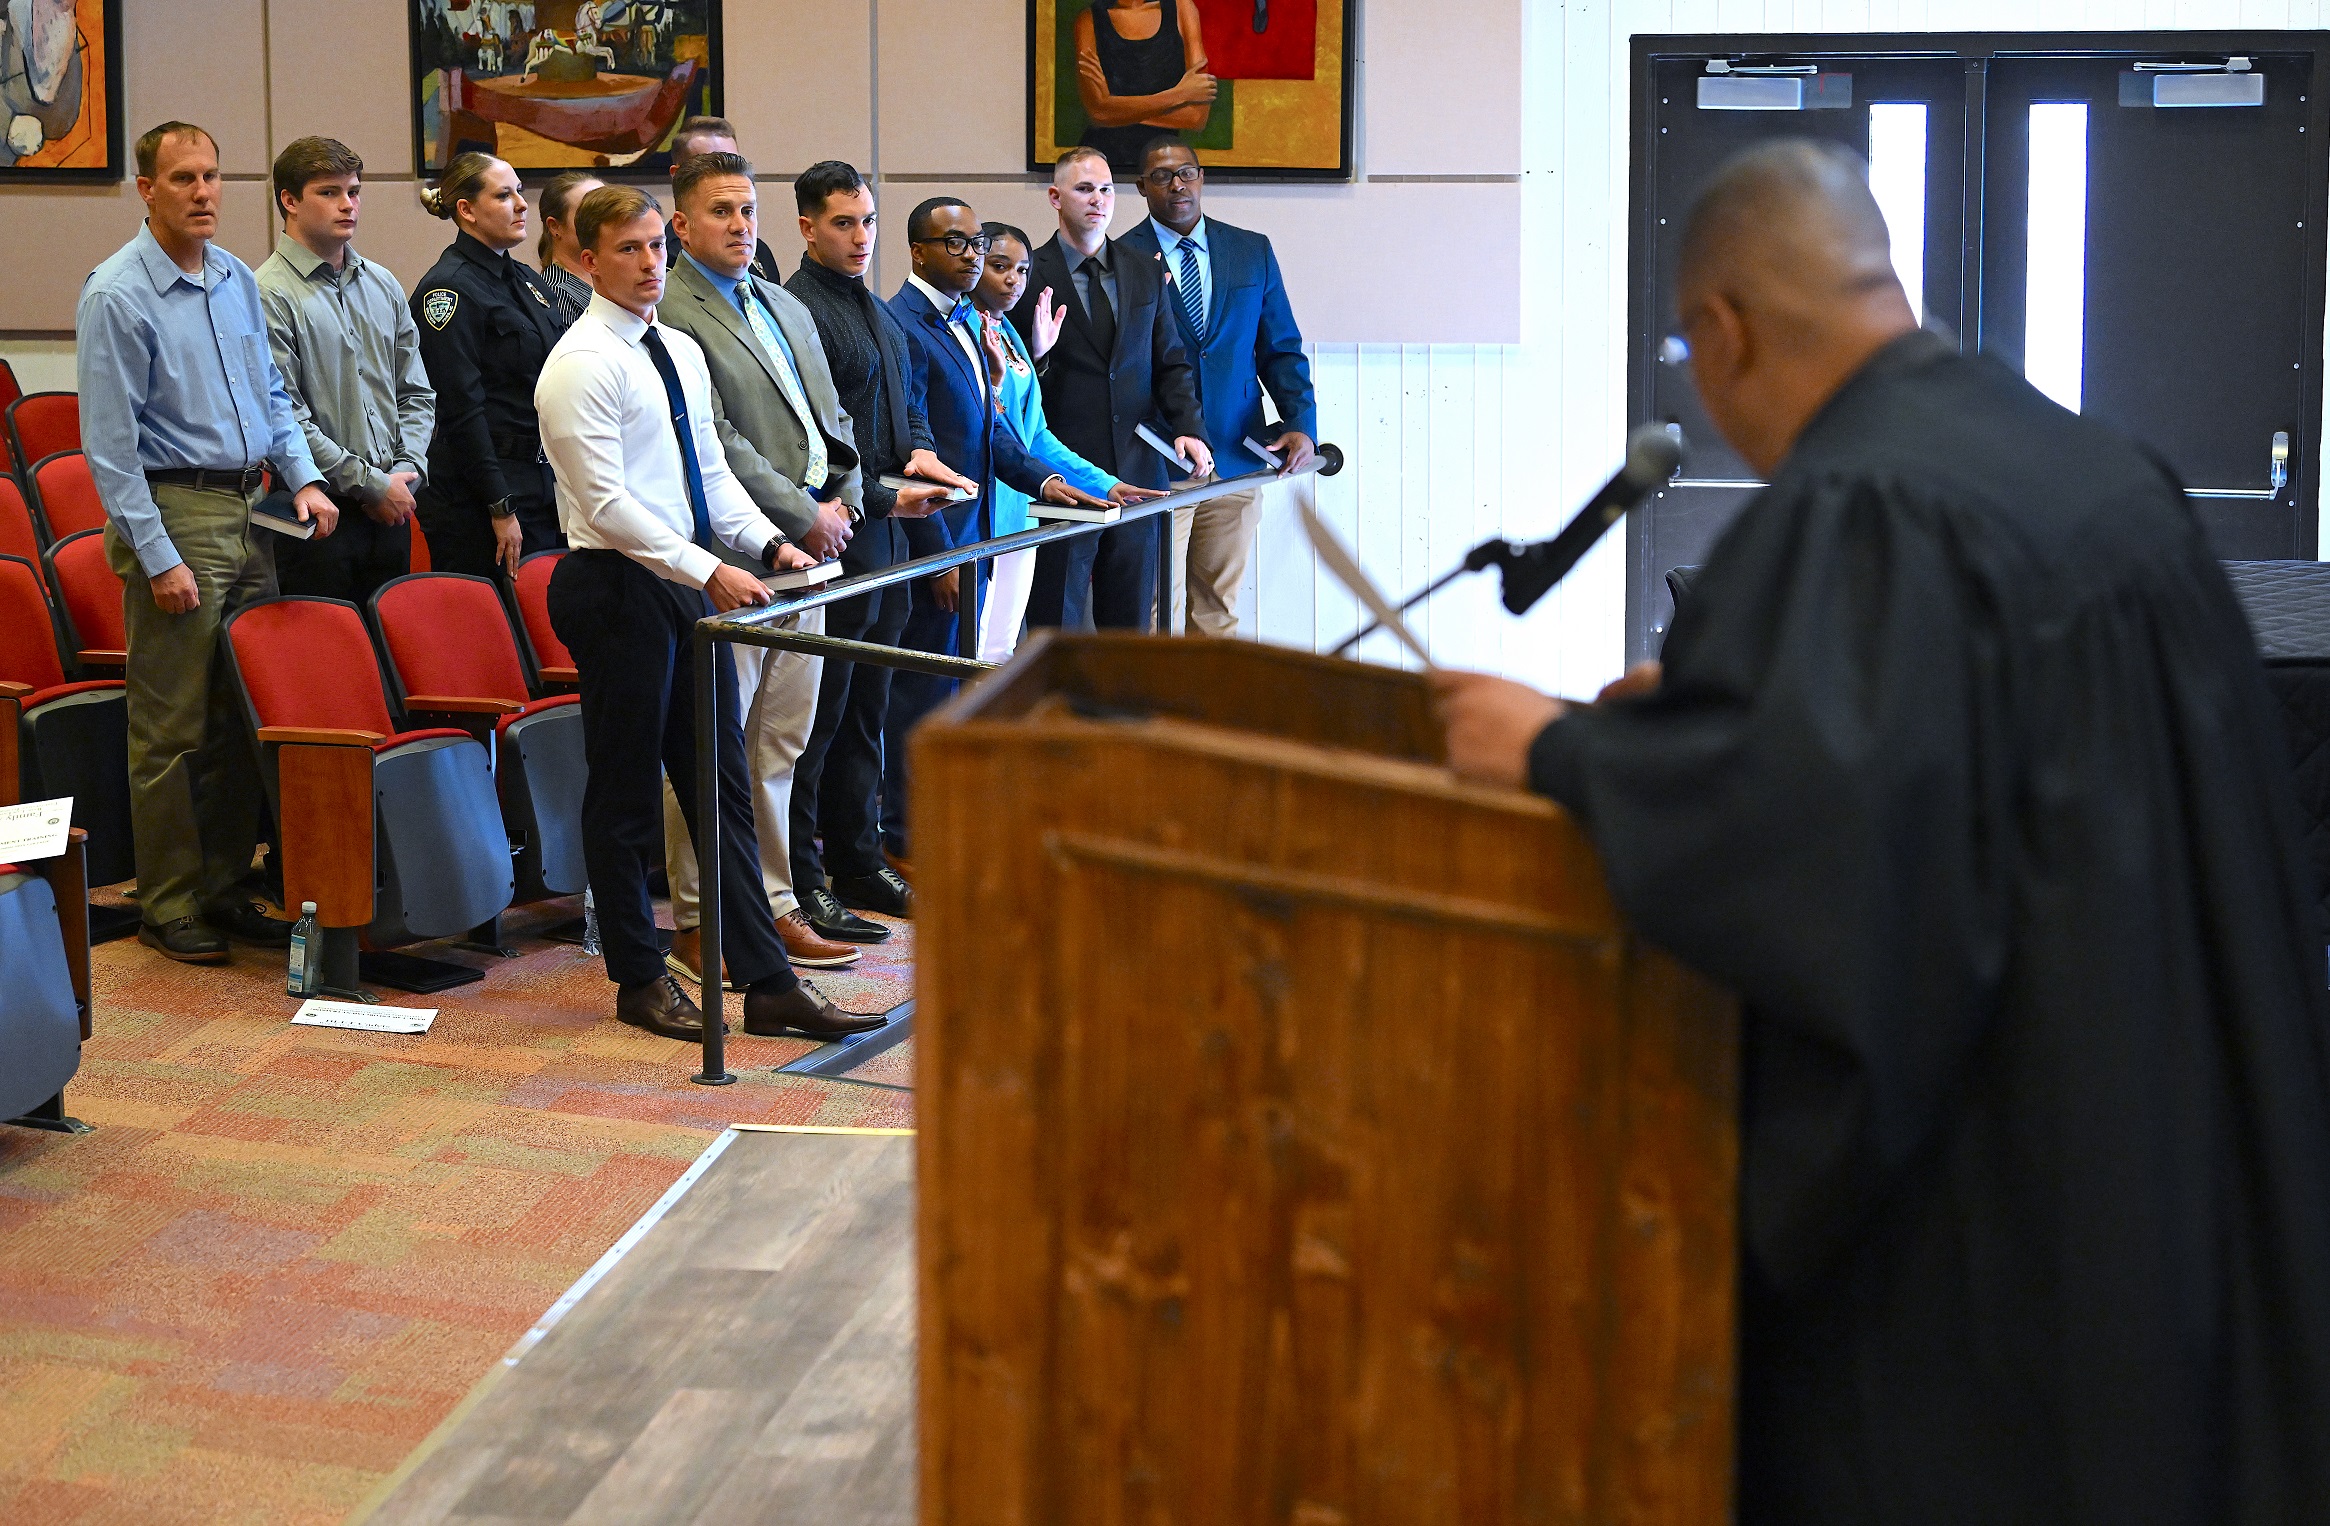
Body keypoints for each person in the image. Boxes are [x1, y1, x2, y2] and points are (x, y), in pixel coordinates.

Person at [1432, 140, 2330, 1522]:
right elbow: (1965, 761)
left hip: (1998, 1224)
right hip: (2161, 1148)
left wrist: (1554, 749)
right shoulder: (2083, 462)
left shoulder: (1860, 506)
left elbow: (1825, 876)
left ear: (1721, 332)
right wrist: (1732, 712)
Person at [534, 183, 876, 1044]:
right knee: (624, 796)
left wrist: (769, 545)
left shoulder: (677, 349)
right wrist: (709, 569)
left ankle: (765, 981)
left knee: (718, 786)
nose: (652, 264)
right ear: (587, 261)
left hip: (687, 582)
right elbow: (607, 504)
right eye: (630, 251)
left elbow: (710, 476)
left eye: (657, 247)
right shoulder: (579, 363)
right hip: (614, 586)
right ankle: (639, 978)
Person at [76, 121, 338, 963]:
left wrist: (301, 475)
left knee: (237, 715)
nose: (202, 192)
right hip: (175, 511)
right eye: (183, 178)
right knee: (173, 726)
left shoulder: (231, 276)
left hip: (250, 509)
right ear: (145, 189)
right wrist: (157, 557)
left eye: (213, 176)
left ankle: (224, 884)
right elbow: (111, 451)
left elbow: (268, 388)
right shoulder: (117, 293)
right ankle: (169, 901)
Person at [654, 149, 864, 978]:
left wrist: (842, 497)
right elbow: (719, 445)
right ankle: (700, 919)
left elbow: (830, 413)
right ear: (681, 224)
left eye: (747, 210)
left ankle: (772, 906)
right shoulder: (670, 308)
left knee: (780, 741)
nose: (740, 226)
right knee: (713, 748)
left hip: (814, 550)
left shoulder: (782, 302)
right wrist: (799, 515)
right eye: (720, 212)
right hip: (734, 553)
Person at [882, 198, 1124, 866]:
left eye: (975, 240)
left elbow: (998, 433)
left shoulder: (976, 325)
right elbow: (906, 450)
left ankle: (948, 817)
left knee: (971, 683)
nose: (969, 254)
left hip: (989, 530)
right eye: (956, 243)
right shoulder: (902, 324)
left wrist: (1050, 485)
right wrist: (936, 560)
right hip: (940, 543)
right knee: (922, 690)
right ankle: (902, 837)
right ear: (918, 252)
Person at [782, 162, 965, 935]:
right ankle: (803, 873)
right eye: (843, 224)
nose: (861, 238)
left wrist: (920, 453)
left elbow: (909, 401)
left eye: (868, 222)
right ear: (807, 228)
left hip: (885, 537)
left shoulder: (877, 310)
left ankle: (858, 860)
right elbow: (817, 440)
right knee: (816, 718)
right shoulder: (799, 310)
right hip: (838, 532)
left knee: (867, 709)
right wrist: (890, 494)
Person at [1119, 137, 1317, 637]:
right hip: (1161, 463)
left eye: (1187, 172)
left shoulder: (1250, 250)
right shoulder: (1121, 258)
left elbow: (1281, 348)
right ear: (1142, 187)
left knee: (1217, 608)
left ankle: (1206, 716)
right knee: (1154, 609)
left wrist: (1299, 422)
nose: (1177, 184)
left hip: (1236, 456)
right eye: (1161, 176)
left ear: (1202, 177)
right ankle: (1156, 715)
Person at [1010, 147, 1210, 632]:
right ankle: (1058, 709)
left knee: (1133, 616)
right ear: (1056, 197)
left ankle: (1125, 709)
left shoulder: (1144, 268)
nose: (1098, 200)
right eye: (1084, 189)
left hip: (1139, 463)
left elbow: (1170, 361)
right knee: (1058, 612)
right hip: (1063, 469)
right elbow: (1009, 390)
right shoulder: (1025, 274)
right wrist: (1039, 355)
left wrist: (1188, 427)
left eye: (1105, 189)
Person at [254, 135, 435, 607]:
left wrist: (406, 470)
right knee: (327, 665)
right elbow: (285, 416)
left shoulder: (382, 283)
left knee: (388, 663)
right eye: (329, 192)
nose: (347, 205)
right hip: (319, 510)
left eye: (353, 191)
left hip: (394, 503)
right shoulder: (266, 293)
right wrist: (373, 485)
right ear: (289, 201)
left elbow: (416, 393)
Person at [968, 222, 1125, 661]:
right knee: (969, 654)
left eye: (1022, 269)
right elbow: (981, 428)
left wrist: (1106, 485)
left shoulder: (1011, 335)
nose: (1012, 279)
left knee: (1001, 650)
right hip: (979, 516)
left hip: (1018, 514)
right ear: (975, 262)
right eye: (1000, 266)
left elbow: (1034, 436)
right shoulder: (959, 328)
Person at [410, 152, 569, 577]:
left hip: (539, 482)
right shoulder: (448, 289)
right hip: (480, 496)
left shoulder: (526, 280)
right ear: (467, 210)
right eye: (504, 195)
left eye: (519, 191)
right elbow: (460, 407)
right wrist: (499, 505)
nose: (521, 204)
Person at [1071, 0, 1214, 172]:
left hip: (1164, 164)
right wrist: (1180, 94)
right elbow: (1097, 113)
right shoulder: (1088, 20)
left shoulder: (1182, 8)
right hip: (1100, 165)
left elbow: (1196, 117)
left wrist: (1113, 110)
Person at [669, 117, 784, 284]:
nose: (740, 227)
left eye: (732, 161)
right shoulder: (664, 259)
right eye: (706, 164)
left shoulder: (760, 252)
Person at [534, 169, 604, 323]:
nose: (605, 221)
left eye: (608, 210)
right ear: (555, 227)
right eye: (589, 213)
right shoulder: (556, 294)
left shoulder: (615, 278)